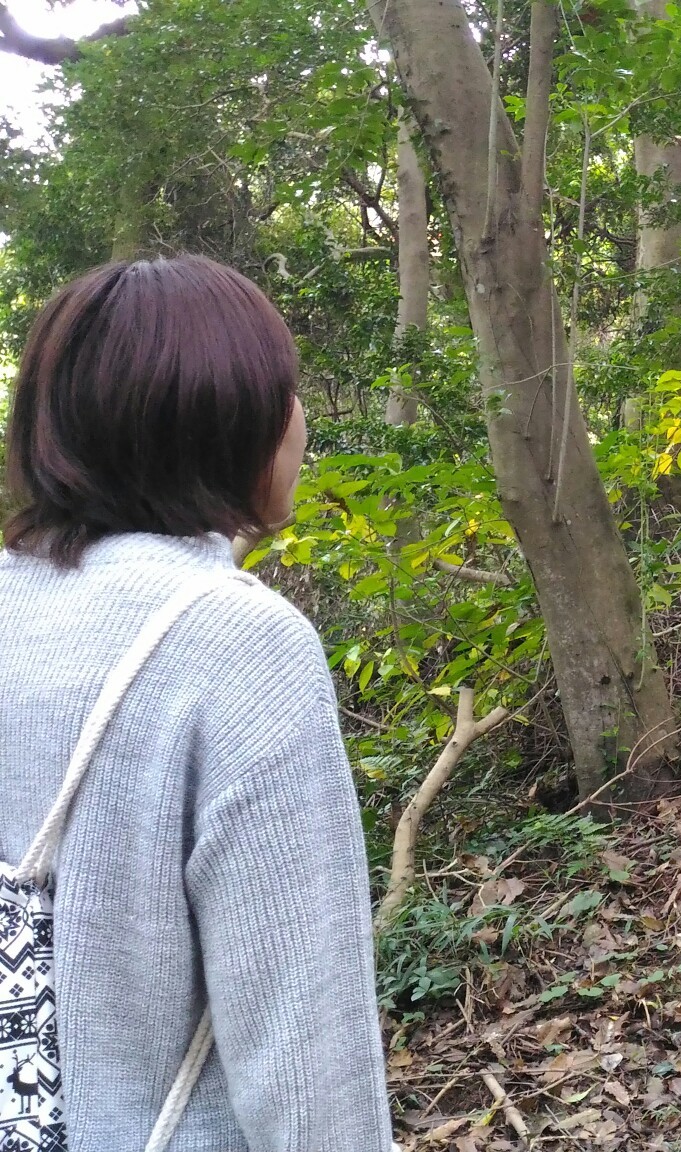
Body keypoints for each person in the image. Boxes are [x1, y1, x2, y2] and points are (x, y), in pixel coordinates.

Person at [0, 255, 391, 1150]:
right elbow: (305, 1050)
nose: (301, 420)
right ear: (232, 416)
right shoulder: (238, 645)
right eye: (286, 392)